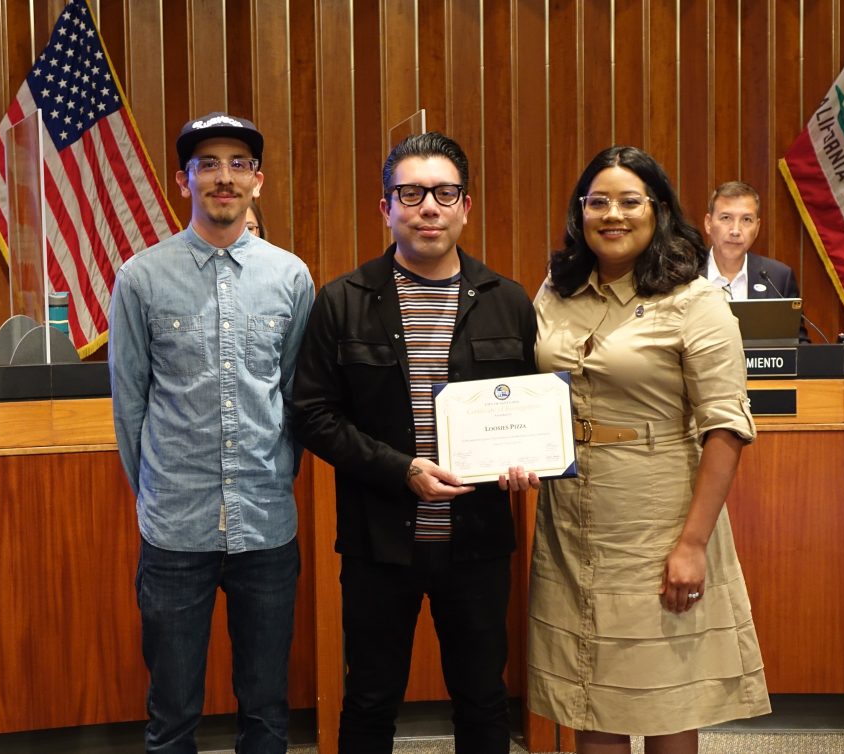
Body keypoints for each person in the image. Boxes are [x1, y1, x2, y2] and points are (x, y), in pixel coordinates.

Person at [291, 131, 538, 754]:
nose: (428, 206)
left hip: (478, 540)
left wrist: (527, 460)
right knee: (370, 700)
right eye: (411, 192)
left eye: (444, 192)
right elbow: (314, 415)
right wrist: (402, 470)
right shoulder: (343, 302)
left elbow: (532, 413)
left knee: (483, 700)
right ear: (387, 206)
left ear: (465, 206)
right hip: (380, 542)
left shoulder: (507, 302)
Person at [527, 146, 770, 754]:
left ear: (659, 211)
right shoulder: (556, 290)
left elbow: (726, 427)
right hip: (570, 513)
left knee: (666, 694)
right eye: (598, 201)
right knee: (590, 689)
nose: (613, 213)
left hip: (657, 512)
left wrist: (691, 544)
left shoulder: (695, 301)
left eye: (630, 201)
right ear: (579, 211)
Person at [108, 112, 314, 753]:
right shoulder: (141, 278)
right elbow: (130, 406)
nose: (223, 177)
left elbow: (297, 398)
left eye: (238, 164)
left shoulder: (291, 277)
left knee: (266, 709)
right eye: (208, 164)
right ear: (183, 180)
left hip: (265, 525)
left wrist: (279, 474)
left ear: (258, 180)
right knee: (171, 714)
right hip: (175, 531)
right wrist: (153, 496)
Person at [702, 180, 809, 342]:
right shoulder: (683, 274)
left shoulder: (778, 278)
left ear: (757, 228)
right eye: (726, 218)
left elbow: (797, 344)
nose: (735, 231)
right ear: (708, 223)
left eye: (746, 220)